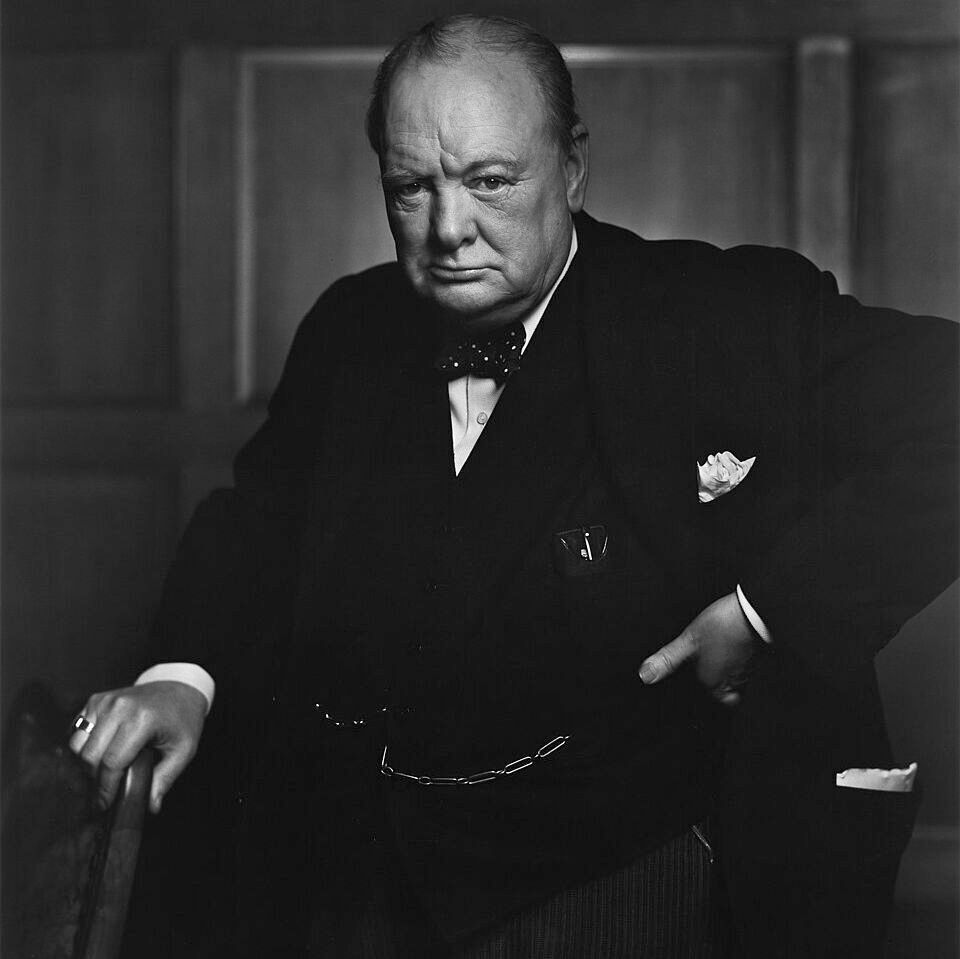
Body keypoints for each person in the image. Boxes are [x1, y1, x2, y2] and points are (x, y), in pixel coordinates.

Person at [69, 14, 958, 958]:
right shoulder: (349, 329)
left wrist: (765, 610)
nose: (450, 229)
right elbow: (255, 528)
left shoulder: (711, 315)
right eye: (411, 188)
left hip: (636, 876)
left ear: (571, 169)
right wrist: (182, 680)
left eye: (491, 182)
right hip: (365, 878)